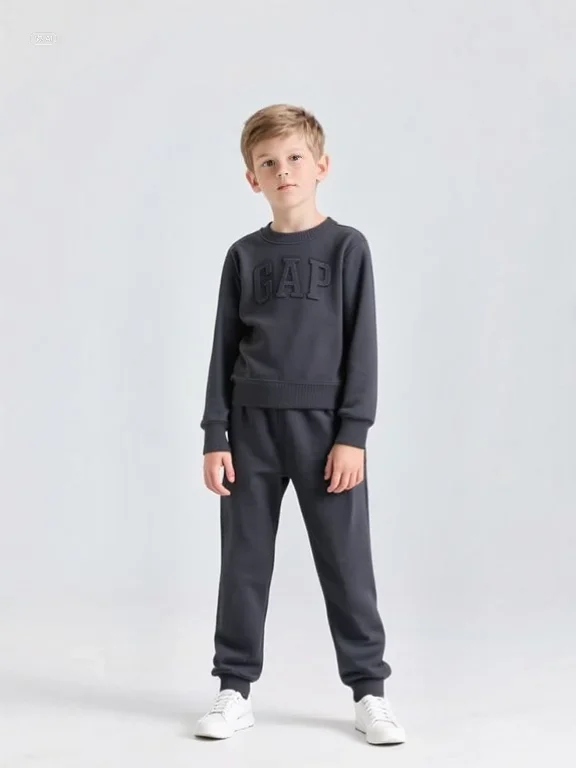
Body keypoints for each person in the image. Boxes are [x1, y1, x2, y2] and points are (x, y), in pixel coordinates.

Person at [194, 104, 406, 746]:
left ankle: (370, 693)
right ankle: (234, 689)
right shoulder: (243, 255)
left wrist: (353, 433)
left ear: (321, 166)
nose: (282, 170)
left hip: (325, 434)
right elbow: (222, 348)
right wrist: (214, 435)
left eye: (293, 158)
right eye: (268, 162)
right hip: (250, 430)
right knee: (243, 563)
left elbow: (362, 347)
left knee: (346, 564)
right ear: (251, 177)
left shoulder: (347, 248)